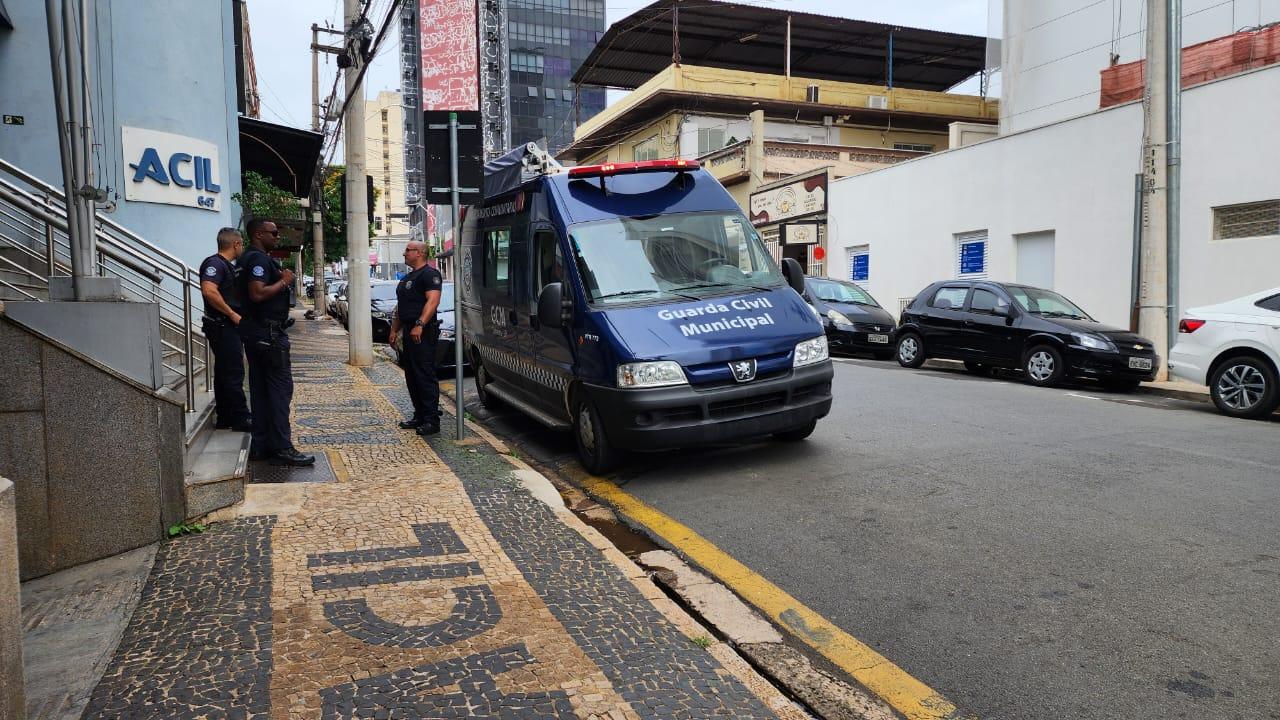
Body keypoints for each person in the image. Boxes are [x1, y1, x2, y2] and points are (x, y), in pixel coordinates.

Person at [238, 218, 315, 466]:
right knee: (279, 393)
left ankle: (261, 445)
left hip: (256, 332)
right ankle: (282, 447)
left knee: (260, 392)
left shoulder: (246, 259)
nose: (277, 237)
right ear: (259, 234)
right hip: (268, 335)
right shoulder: (258, 260)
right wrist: (284, 280)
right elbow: (257, 293)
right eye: (273, 233)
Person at [199, 228, 251, 432]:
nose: (242, 248)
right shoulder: (215, 264)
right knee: (233, 371)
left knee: (223, 372)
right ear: (236, 244)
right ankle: (240, 418)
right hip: (222, 324)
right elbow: (209, 291)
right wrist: (231, 314)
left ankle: (225, 416)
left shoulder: (225, 266)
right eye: (242, 244)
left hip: (224, 324)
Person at [389, 241, 443, 436]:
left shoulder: (430, 274)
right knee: (411, 375)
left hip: (423, 331)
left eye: (408, 250)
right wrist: (394, 330)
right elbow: (400, 308)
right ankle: (419, 415)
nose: (404, 253)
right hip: (408, 330)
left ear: (420, 253)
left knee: (424, 374)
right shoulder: (406, 278)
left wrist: (420, 324)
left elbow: (433, 301)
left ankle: (431, 420)